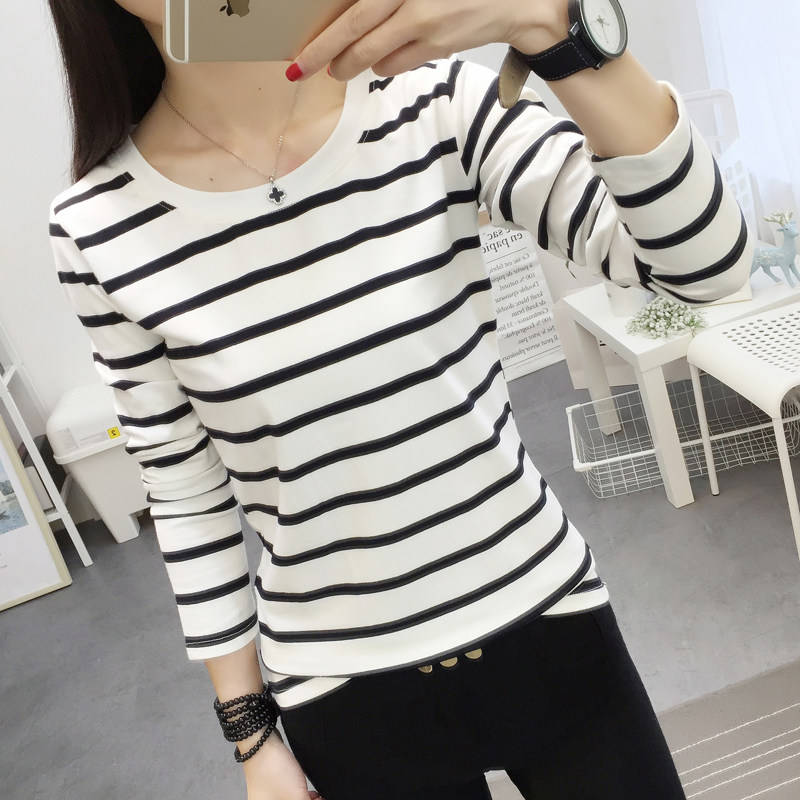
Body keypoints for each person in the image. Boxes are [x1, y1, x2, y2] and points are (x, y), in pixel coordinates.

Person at [46, 1, 751, 799]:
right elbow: (185, 491)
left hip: (544, 615)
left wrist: (554, 24)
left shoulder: (436, 103)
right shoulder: (97, 226)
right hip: (344, 693)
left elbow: (706, 268)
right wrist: (250, 735)